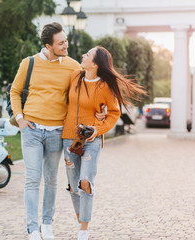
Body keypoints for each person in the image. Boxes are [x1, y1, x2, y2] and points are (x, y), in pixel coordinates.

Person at [10, 22, 106, 240]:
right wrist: (20, 118)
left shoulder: (73, 66)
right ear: (48, 45)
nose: (66, 45)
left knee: (51, 179)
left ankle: (47, 224)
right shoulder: (29, 63)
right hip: (32, 130)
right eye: (61, 43)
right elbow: (15, 92)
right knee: (33, 179)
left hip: (57, 132)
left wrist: (103, 109)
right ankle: (32, 229)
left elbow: (93, 85)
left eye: (66, 40)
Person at [61, 46, 147, 240]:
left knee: (85, 182)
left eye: (87, 54)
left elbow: (114, 113)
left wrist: (98, 128)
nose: (83, 55)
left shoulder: (105, 87)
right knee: (74, 186)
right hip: (69, 137)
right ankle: (79, 220)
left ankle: (83, 230)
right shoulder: (75, 75)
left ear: (95, 64)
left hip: (91, 138)